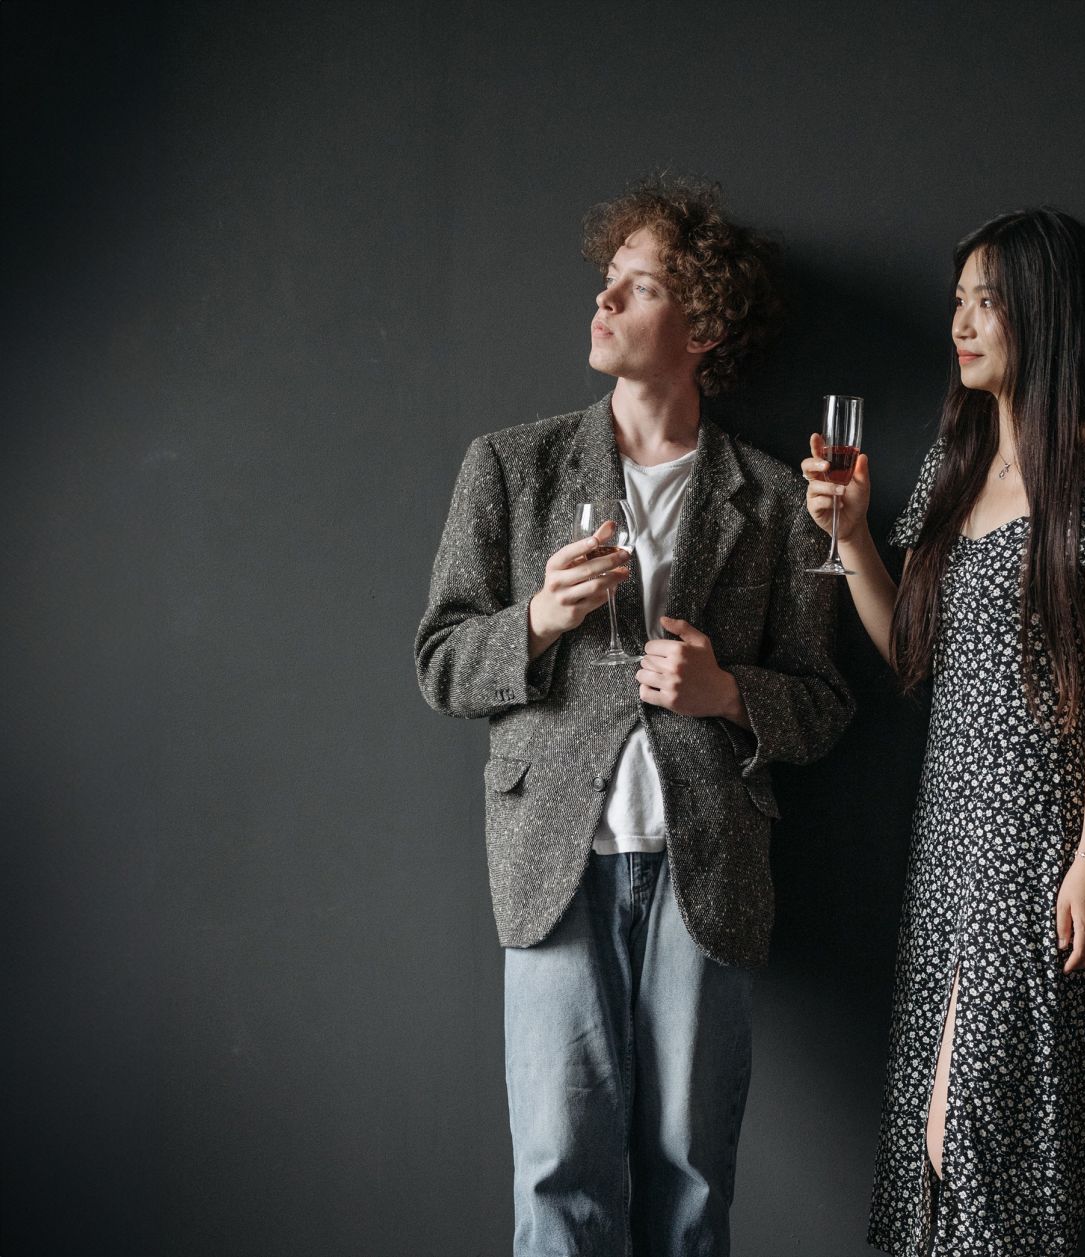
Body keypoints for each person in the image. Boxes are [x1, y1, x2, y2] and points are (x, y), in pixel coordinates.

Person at [416, 176, 854, 1256]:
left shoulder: (776, 499)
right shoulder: (510, 468)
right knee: (558, 1172)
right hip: (553, 865)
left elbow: (824, 704)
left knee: (691, 1178)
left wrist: (728, 693)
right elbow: (440, 664)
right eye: (606, 280)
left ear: (702, 327)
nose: (603, 302)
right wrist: (538, 620)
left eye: (639, 286)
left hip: (708, 870)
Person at [802, 208, 1085, 1254]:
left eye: (989, 302)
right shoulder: (953, 467)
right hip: (946, 845)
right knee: (927, 1149)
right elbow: (911, 654)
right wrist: (851, 539)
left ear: (1048, 315)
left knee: (973, 1137)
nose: (961, 324)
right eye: (958, 301)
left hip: (1034, 846)